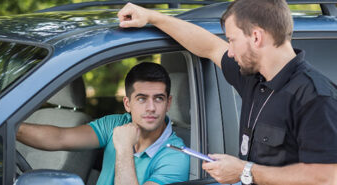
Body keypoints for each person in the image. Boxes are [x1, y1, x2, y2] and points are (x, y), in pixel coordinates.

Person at [117, 0, 337, 185]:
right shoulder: (253, 78)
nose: (229, 51)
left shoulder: (315, 97)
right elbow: (210, 47)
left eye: (232, 40)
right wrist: (153, 17)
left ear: (256, 37)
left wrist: (246, 170)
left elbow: (326, 177)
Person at [17, 62, 190, 185]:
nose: (151, 108)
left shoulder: (175, 155)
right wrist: (8, 129)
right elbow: (59, 138)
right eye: (142, 99)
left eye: (158, 99)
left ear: (168, 103)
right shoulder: (116, 123)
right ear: (127, 104)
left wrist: (123, 148)